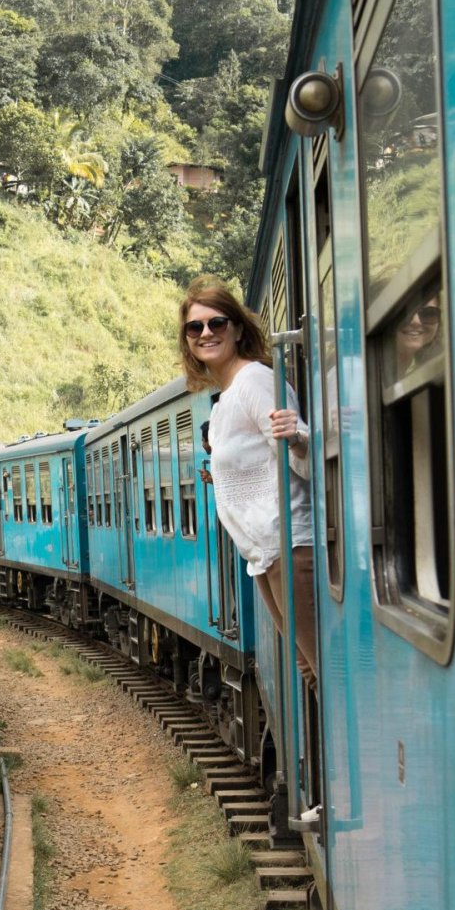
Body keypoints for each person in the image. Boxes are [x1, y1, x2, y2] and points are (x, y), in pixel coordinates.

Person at [179, 277, 318, 689]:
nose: (206, 333)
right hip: (265, 556)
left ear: (238, 329)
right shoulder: (226, 400)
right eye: (195, 327)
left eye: (217, 323)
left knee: (323, 673)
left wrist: (298, 437)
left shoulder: (255, 381)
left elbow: (304, 464)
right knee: (309, 670)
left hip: (289, 547)